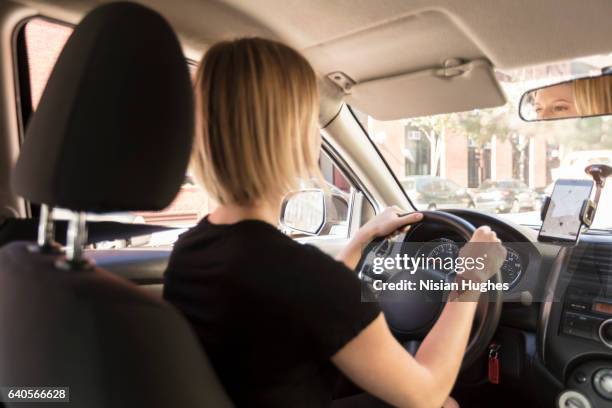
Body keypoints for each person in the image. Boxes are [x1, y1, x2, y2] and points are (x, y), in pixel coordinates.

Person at [163, 37, 506, 408]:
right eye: (311, 118)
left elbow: (298, 303)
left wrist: (361, 241)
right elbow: (425, 392)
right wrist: (471, 277)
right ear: (289, 134)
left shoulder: (190, 250)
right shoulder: (302, 276)